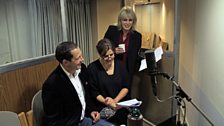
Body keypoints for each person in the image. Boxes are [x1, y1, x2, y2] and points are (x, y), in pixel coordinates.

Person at [42, 41, 114, 126]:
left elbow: (86, 95)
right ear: (65, 62)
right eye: (78, 58)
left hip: (85, 119)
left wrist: (91, 110)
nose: (82, 59)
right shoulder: (52, 84)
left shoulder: (82, 69)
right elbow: (54, 121)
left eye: (81, 55)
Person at [87, 38, 130, 125]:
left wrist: (115, 101)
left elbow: (125, 87)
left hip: (119, 102)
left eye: (112, 54)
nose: (110, 58)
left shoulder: (120, 65)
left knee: (129, 115)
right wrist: (108, 102)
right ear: (100, 54)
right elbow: (94, 92)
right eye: (106, 56)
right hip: (102, 105)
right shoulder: (92, 68)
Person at [104, 6, 142, 93]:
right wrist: (113, 51)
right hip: (111, 69)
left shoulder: (137, 36)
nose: (127, 23)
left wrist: (146, 61)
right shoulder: (112, 30)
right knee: (111, 93)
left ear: (133, 22)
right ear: (120, 21)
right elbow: (102, 47)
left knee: (125, 95)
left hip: (127, 73)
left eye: (130, 20)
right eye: (125, 20)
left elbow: (136, 55)